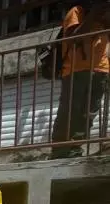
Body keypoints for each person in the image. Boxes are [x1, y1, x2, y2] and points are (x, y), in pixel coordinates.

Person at [51, 1, 110, 159]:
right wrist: (93, 15)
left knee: (88, 113)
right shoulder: (77, 12)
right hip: (75, 70)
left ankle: (75, 148)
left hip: (100, 69)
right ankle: (59, 150)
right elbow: (72, 38)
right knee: (70, 111)